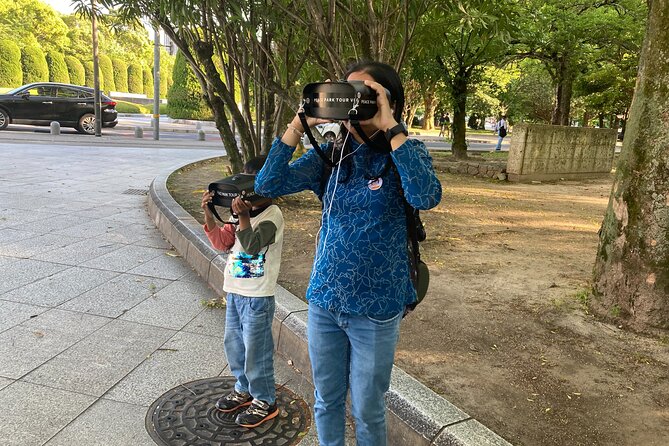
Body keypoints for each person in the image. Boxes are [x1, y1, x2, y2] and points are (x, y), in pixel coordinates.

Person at [255, 61, 442, 446]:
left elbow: (426, 194)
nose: (353, 104)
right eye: (347, 94)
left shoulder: (404, 152)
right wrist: (299, 120)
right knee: (326, 400)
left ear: (389, 101)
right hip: (325, 301)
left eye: (365, 95)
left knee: (369, 408)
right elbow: (268, 182)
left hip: (376, 307)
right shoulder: (330, 155)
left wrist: (390, 125)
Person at [200, 156, 284, 428]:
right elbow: (223, 242)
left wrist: (244, 217)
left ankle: (265, 399)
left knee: (256, 350)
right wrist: (210, 213)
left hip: (258, 295)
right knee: (234, 345)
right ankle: (243, 387)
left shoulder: (273, 216)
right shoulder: (239, 214)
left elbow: (251, 247)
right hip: (235, 291)